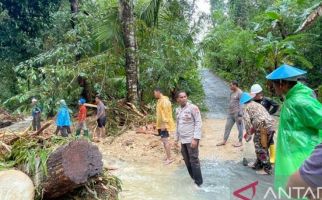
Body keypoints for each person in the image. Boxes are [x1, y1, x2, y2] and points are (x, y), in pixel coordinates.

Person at [266, 64, 322, 190]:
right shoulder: (292, 99)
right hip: (293, 154)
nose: (273, 88)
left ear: (282, 84)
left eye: (274, 85)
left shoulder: (299, 102)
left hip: (301, 156)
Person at [240, 92, 275, 175]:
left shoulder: (246, 107)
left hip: (262, 127)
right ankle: (258, 164)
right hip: (270, 126)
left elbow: (247, 122)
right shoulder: (256, 104)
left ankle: (267, 168)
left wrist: (248, 134)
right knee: (263, 146)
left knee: (260, 148)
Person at [175, 91, 203, 186]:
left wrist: (195, 138)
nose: (183, 98)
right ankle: (193, 178)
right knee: (187, 160)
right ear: (178, 99)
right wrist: (176, 138)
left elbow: (198, 123)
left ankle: (199, 183)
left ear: (187, 97)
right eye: (181, 97)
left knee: (194, 160)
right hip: (183, 140)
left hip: (191, 139)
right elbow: (178, 125)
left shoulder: (193, 108)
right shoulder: (178, 110)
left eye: (185, 97)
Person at [250, 84, 278, 164]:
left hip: (266, 124)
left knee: (267, 141)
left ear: (260, 93)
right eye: (254, 95)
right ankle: (261, 160)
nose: (255, 96)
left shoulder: (266, 100)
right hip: (258, 125)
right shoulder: (253, 102)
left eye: (256, 94)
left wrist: (269, 113)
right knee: (260, 142)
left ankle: (271, 158)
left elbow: (276, 105)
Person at [217, 80, 243, 147]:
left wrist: (240, 115)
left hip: (237, 113)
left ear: (235, 85)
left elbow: (241, 104)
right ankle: (224, 141)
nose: (230, 86)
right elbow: (231, 102)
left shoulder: (240, 93)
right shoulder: (231, 93)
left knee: (240, 128)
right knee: (227, 127)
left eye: (231, 85)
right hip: (231, 113)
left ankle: (240, 141)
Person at [154, 88, 176, 165]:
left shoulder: (165, 101)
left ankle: (170, 158)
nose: (154, 94)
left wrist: (164, 124)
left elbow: (166, 113)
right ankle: (168, 156)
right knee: (164, 141)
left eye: (155, 93)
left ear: (158, 92)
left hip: (164, 125)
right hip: (160, 125)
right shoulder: (160, 100)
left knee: (166, 141)